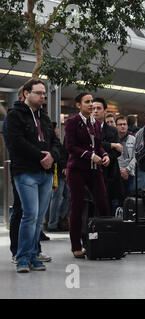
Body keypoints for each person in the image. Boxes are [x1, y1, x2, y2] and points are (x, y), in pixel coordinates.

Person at [4, 78, 60, 273]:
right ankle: (22, 257)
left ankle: (33, 255)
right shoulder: (14, 116)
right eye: (39, 93)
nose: (43, 96)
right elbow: (16, 143)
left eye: (44, 94)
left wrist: (52, 155)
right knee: (29, 214)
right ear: (27, 93)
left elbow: (55, 142)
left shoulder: (44, 118)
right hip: (26, 172)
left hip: (44, 174)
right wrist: (40, 157)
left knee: (37, 219)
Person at [65, 92, 110, 258]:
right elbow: (71, 147)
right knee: (76, 207)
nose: (91, 104)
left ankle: (106, 240)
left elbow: (98, 147)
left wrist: (105, 155)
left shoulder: (96, 123)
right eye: (87, 102)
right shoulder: (72, 122)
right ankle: (76, 245)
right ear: (79, 105)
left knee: (103, 203)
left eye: (92, 101)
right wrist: (91, 156)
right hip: (77, 170)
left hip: (94, 170)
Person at [93, 97, 124, 214]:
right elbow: (91, 144)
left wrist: (109, 157)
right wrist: (111, 145)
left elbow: (118, 150)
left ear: (105, 111)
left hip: (110, 172)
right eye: (93, 108)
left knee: (109, 204)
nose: (95, 111)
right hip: (91, 171)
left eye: (98, 108)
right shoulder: (86, 128)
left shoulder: (112, 130)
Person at [47, 122, 70, 231]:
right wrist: (64, 166)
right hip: (58, 173)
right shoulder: (52, 141)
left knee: (67, 196)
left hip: (62, 173)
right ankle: (53, 223)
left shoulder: (56, 141)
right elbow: (58, 156)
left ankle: (60, 219)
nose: (58, 129)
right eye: (57, 128)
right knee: (56, 198)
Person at [116, 116, 137, 198]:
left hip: (130, 173)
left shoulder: (133, 139)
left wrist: (127, 170)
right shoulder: (113, 140)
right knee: (118, 198)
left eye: (124, 124)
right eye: (120, 124)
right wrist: (121, 170)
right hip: (117, 174)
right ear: (116, 126)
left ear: (127, 126)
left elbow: (136, 157)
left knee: (130, 198)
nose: (122, 126)